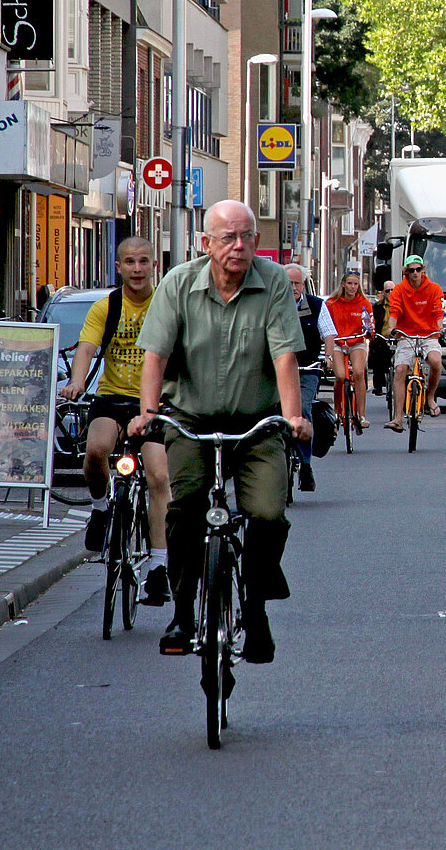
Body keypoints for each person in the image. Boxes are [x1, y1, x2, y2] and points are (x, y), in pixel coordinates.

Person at [132, 200, 309, 663]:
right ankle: (185, 613)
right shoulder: (178, 284)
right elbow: (156, 355)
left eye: (246, 236)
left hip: (256, 421)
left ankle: (255, 610)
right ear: (206, 243)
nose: (238, 246)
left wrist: (293, 416)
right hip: (191, 420)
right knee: (185, 508)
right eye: (227, 237)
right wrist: (149, 411)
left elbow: (284, 356)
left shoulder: (273, 282)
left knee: (268, 512)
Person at [60, 236, 170, 604]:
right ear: (118, 267)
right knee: (95, 450)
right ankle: (100, 508)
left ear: (154, 265)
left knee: (157, 475)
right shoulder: (106, 307)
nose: (137, 269)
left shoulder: (166, 304)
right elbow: (87, 349)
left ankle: (158, 567)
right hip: (113, 397)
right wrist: (76, 381)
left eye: (143, 261)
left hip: (155, 403)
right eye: (129, 262)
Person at [386, 254, 446, 428]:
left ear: (423, 270)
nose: (415, 273)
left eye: (418, 269)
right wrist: (392, 328)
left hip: (429, 334)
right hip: (407, 335)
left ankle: (430, 397)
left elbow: (438, 313)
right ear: (406, 272)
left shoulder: (434, 289)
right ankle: (398, 418)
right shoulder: (399, 290)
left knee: (436, 361)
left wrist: (440, 327)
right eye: (411, 270)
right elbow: (394, 312)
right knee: (400, 370)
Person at [318, 268, 374, 429]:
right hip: (337, 342)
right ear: (343, 284)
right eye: (349, 283)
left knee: (358, 372)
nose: (352, 287)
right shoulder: (331, 303)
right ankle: (337, 410)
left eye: (355, 284)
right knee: (341, 376)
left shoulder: (364, 303)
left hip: (356, 342)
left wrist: (369, 332)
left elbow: (370, 326)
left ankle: (362, 415)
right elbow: (324, 327)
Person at [285, 264, 322, 491]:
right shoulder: (273, 305)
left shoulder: (317, 306)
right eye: (288, 284)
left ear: (303, 285)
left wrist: (326, 358)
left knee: (304, 409)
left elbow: (328, 334)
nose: (293, 288)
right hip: (280, 371)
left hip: (308, 368)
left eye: (297, 283)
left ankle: (306, 465)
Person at [370, 280, 394, 396]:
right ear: (384, 292)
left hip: (397, 338)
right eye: (388, 291)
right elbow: (372, 322)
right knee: (378, 357)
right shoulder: (377, 307)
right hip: (381, 337)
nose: (390, 293)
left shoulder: (400, 305)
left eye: (393, 290)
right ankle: (378, 386)